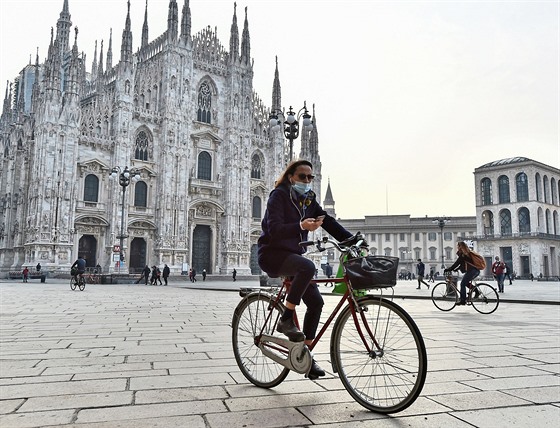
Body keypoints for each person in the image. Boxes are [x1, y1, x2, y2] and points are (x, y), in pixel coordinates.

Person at [257, 159, 353, 381]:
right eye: (303, 177)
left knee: (317, 302)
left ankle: (305, 355)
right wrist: (301, 226)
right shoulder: (278, 196)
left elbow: (326, 220)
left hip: (292, 256)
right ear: (291, 177)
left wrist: (352, 239)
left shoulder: (308, 199)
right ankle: (286, 318)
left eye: (311, 177)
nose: (307, 181)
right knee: (307, 266)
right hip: (272, 254)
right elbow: (275, 230)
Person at [444, 242, 480, 306]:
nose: (457, 247)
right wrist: (456, 269)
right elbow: (463, 264)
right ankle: (476, 291)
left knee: (462, 284)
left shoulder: (463, 254)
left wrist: (449, 269)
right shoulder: (467, 253)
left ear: (460, 246)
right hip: (475, 270)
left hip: (472, 271)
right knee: (465, 283)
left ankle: (463, 300)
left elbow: (457, 263)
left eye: (458, 246)